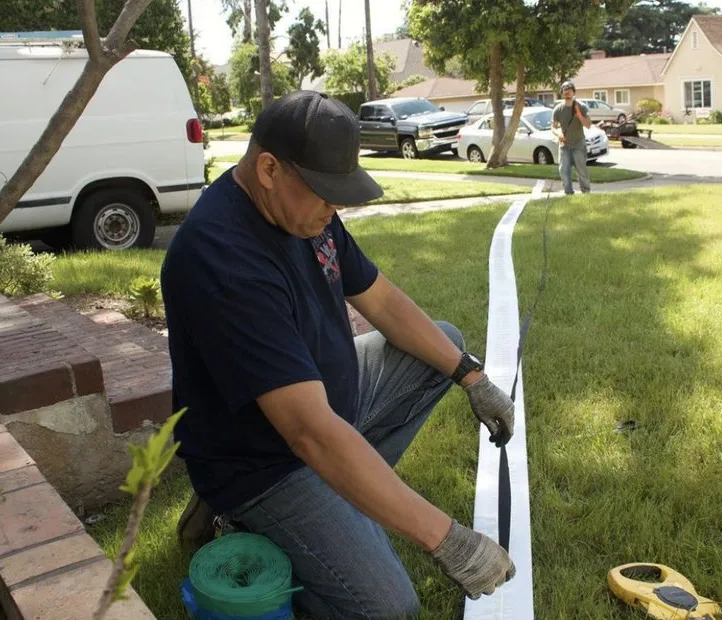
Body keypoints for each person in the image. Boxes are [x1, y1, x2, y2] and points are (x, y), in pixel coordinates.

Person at [161, 90, 517, 619]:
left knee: (442, 343)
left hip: (325, 407)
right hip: (264, 463)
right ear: (268, 169)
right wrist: (448, 540)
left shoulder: (305, 214)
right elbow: (308, 433)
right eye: (326, 194)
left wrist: (470, 377)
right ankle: (243, 517)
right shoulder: (221, 259)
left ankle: (342, 501)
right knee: (388, 608)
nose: (336, 209)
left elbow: (383, 300)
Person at [551, 80, 592, 195]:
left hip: (578, 144)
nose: (567, 92)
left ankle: (586, 192)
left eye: (569, 90)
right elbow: (553, 127)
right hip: (564, 146)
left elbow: (588, 125)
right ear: (562, 93)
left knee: (581, 171)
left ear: (574, 92)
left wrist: (579, 115)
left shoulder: (581, 107)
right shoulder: (558, 109)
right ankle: (568, 193)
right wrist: (558, 134)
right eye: (565, 90)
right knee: (563, 170)